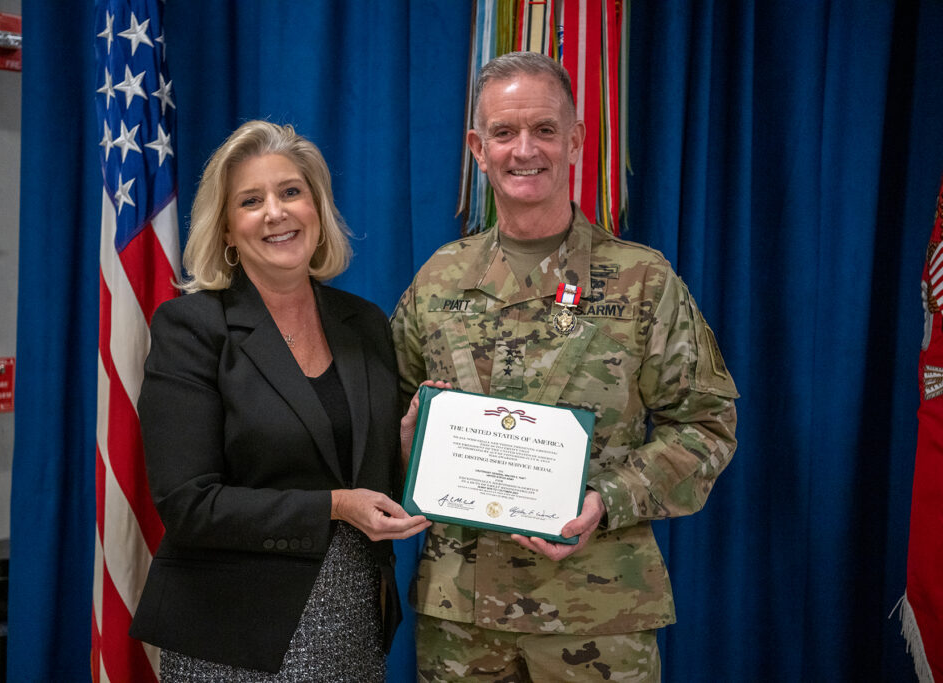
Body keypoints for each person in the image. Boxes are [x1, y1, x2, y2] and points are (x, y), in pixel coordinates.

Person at [392, 52, 739, 682]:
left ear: (575, 140)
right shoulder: (439, 280)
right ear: (478, 147)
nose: (525, 150)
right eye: (504, 132)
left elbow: (707, 425)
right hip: (462, 624)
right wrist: (407, 436)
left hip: (598, 616)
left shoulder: (641, 280)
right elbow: (384, 417)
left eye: (545, 130)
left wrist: (606, 499)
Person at [130, 120, 430, 681]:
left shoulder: (363, 323)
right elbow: (189, 504)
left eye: (291, 192)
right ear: (225, 229)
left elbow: (361, 472)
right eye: (251, 200)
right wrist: (335, 506)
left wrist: (407, 450)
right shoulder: (191, 329)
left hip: (355, 627)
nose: (276, 212)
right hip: (229, 633)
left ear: (317, 209)